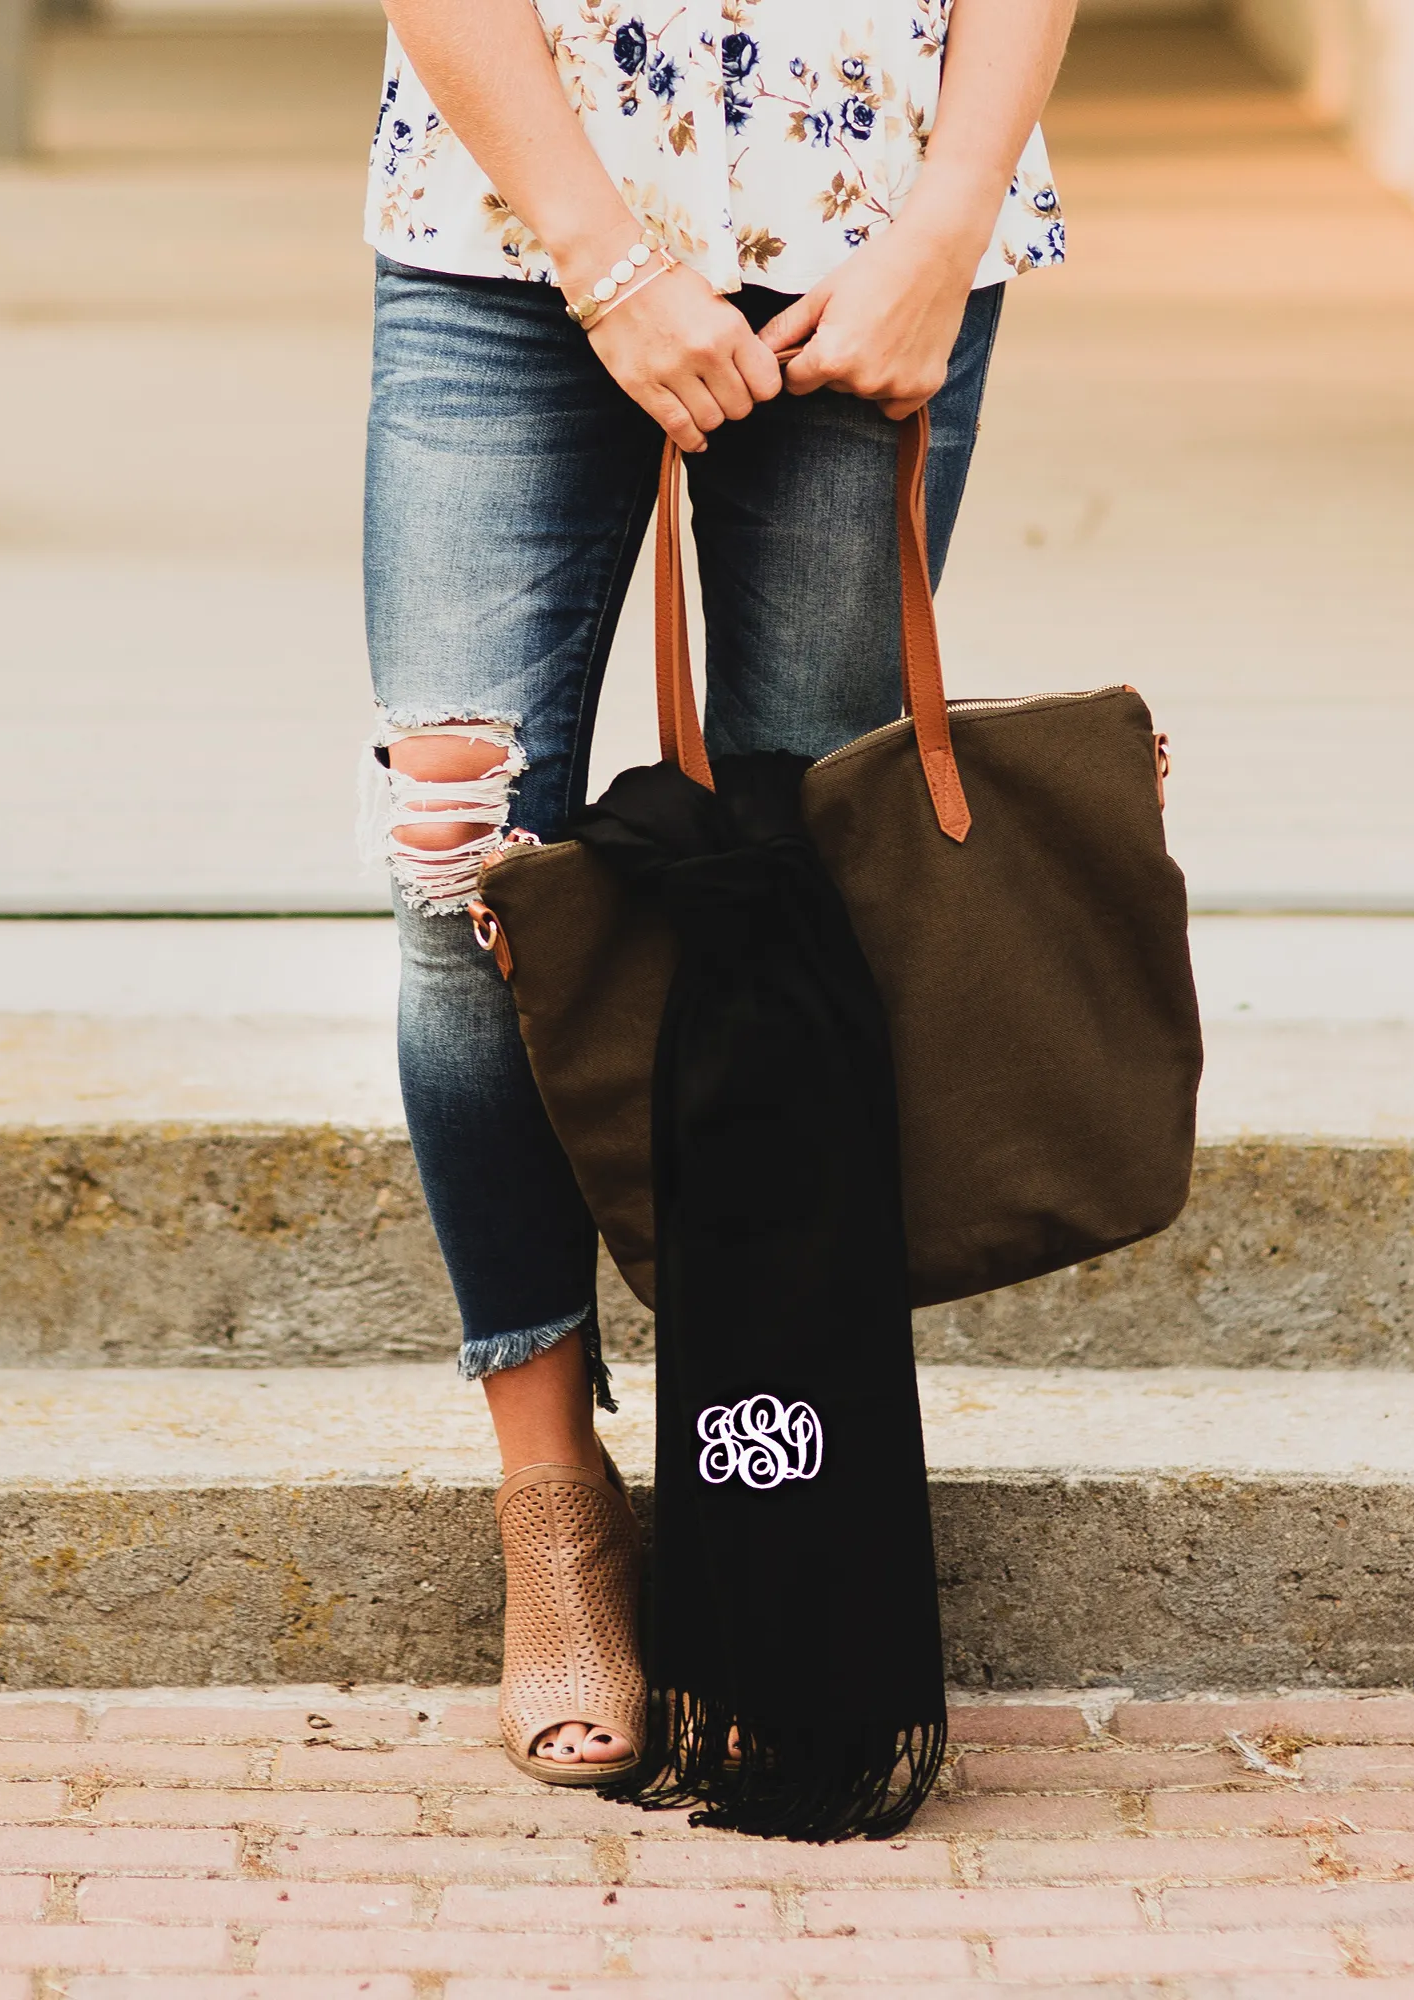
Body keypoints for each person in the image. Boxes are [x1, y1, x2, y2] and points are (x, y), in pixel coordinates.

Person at [361, 0, 1077, 1785]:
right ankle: (557, 1511)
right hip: (507, 235)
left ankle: (778, 1469)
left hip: (875, 232)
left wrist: (944, 228)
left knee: (798, 900)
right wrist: (610, 267)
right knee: (462, 870)